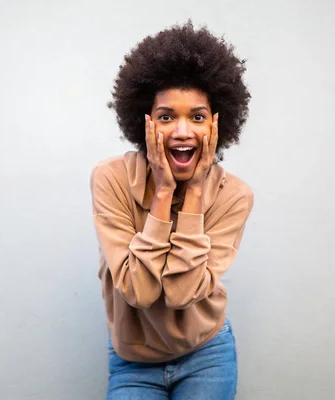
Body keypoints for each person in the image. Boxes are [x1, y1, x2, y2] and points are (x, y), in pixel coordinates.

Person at [90, 21, 253, 399]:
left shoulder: (234, 196)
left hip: (208, 355)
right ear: (145, 122)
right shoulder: (111, 179)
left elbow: (182, 294)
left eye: (197, 117)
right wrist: (164, 193)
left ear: (216, 124)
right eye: (166, 116)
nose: (182, 131)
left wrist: (194, 191)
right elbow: (139, 291)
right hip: (133, 360)